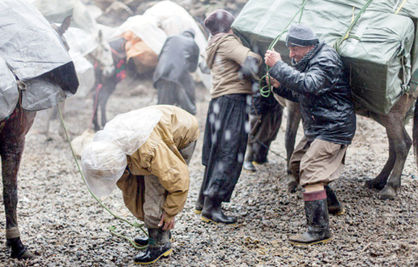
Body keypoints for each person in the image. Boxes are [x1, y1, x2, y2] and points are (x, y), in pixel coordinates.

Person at [264, 24, 356, 245]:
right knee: (296, 164)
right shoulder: (309, 59)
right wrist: (278, 85)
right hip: (318, 125)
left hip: (335, 126)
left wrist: (278, 66)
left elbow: (310, 84)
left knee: (311, 170)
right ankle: (331, 204)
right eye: (290, 50)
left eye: (295, 49)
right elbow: (302, 93)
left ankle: (319, 230)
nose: (292, 54)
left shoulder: (326, 59)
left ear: (308, 46)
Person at [81, 105, 199, 264]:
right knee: (145, 191)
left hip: (183, 131)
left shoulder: (148, 151)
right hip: (157, 129)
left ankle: (160, 244)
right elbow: (131, 189)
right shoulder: (110, 147)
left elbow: (177, 179)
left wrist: (170, 212)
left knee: (156, 190)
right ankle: (157, 233)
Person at [195, 9, 262, 224]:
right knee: (229, 152)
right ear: (229, 27)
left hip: (218, 101)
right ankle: (212, 207)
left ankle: (202, 201)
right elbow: (250, 60)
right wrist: (259, 55)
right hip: (233, 100)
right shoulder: (228, 41)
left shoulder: (213, 42)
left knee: (216, 152)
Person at [153, 29, 200, 115]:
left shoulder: (171, 38)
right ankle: (190, 112)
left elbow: (160, 56)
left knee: (163, 109)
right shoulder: (193, 44)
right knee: (187, 105)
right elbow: (193, 68)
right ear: (192, 36)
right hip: (179, 78)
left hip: (161, 74)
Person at [243, 89, 283, 172]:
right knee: (256, 129)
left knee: (272, 129)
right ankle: (248, 159)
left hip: (277, 99)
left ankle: (261, 157)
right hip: (260, 98)